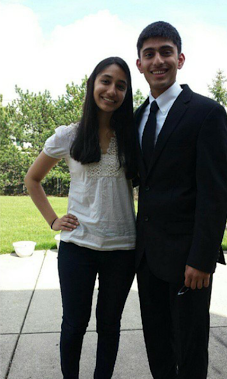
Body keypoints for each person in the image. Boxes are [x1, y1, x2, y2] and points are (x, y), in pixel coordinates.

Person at [25, 56, 137, 379]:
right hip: (77, 248)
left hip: (122, 249)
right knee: (74, 325)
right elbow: (32, 179)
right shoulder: (69, 136)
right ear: (92, 86)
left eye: (121, 85)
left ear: (126, 93)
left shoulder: (132, 137)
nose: (112, 90)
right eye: (105, 81)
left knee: (110, 326)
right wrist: (53, 220)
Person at [134, 21, 227, 379]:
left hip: (190, 262)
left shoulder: (207, 112)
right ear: (140, 63)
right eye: (149, 54)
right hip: (147, 257)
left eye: (165, 52)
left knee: (189, 351)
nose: (158, 60)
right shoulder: (138, 117)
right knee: (157, 346)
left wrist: (202, 259)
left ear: (180, 58)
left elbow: (216, 193)